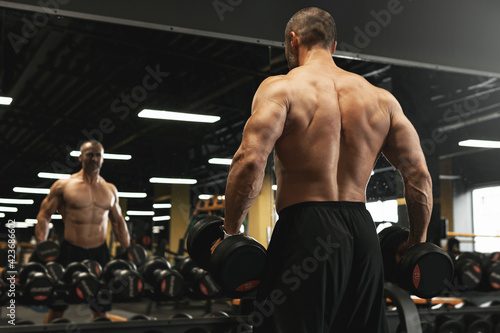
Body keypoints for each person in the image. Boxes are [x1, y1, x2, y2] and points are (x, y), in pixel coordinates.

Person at [219, 7, 432, 333]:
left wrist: (231, 232)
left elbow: (249, 160)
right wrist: (416, 240)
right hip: (362, 231)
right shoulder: (381, 99)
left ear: (293, 41)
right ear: (333, 46)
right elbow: (418, 174)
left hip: (305, 228)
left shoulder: (281, 89)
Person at [35, 140, 130, 323]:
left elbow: (118, 223)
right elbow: (44, 216)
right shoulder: (64, 185)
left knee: (100, 309)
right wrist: (42, 247)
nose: (94, 158)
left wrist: (129, 251)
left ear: (102, 159)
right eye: (89, 154)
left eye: (98, 155)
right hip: (71, 250)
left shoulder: (110, 189)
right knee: (58, 307)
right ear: (80, 157)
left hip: (99, 253)